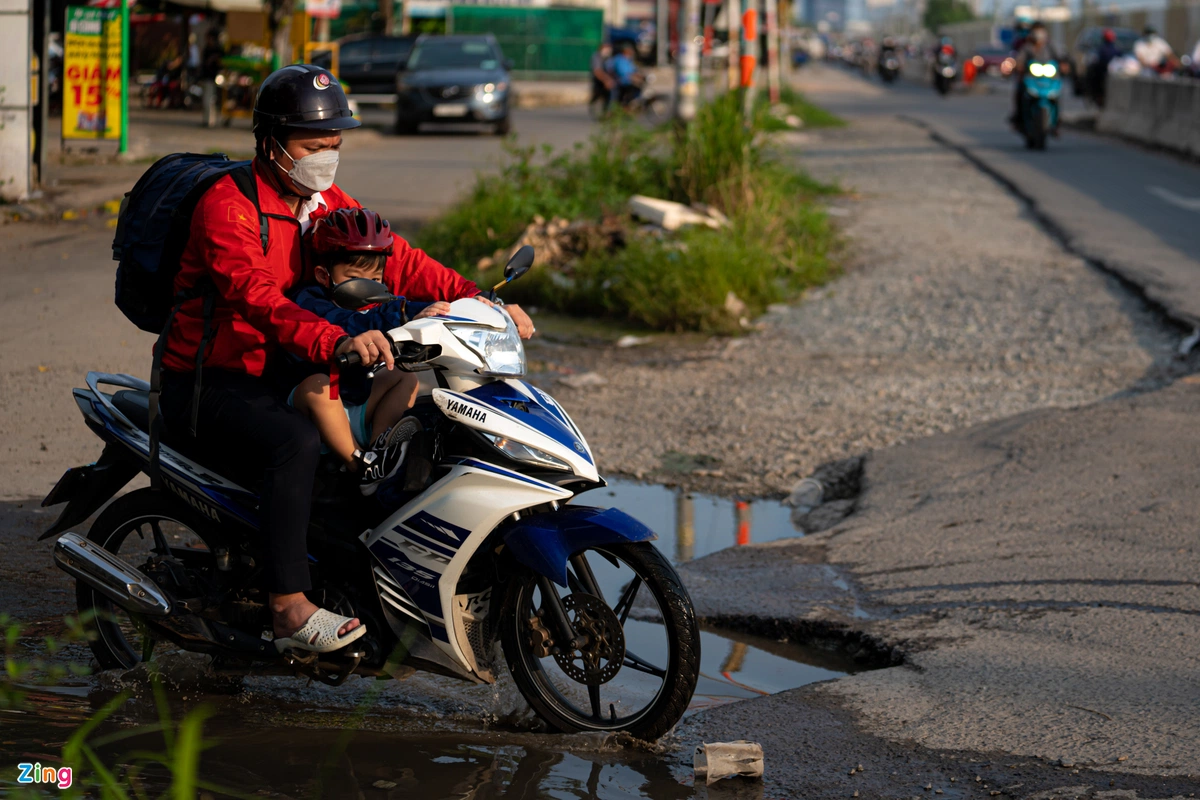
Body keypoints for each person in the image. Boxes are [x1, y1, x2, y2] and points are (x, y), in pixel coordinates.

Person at [157, 65, 535, 655]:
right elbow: (256, 297)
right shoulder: (228, 207)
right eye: (314, 147)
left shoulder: (324, 201)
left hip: (287, 366)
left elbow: (396, 260)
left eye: (334, 144)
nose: (327, 159)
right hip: (215, 378)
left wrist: (481, 300)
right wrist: (333, 340)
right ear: (271, 143)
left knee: (421, 419)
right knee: (295, 442)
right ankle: (289, 607)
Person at [288, 207, 451, 495]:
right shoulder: (308, 301)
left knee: (403, 376)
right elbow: (351, 322)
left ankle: (381, 447)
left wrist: (439, 310)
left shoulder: (377, 302)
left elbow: (399, 305)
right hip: (317, 411)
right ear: (324, 275)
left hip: (358, 401)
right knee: (317, 386)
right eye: (355, 279)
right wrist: (402, 313)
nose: (367, 290)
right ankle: (362, 466)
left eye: (374, 281)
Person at [1010, 23, 1066, 126]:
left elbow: (1061, 57)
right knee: (1020, 92)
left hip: (1049, 78)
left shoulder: (1051, 46)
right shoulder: (1027, 47)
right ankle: (1018, 118)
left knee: (1057, 96)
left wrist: (1064, 64)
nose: (1039, 35)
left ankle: (1057, 120)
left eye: (1041, 32)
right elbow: (1020, 59)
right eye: (1036, 32)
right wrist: (1019, 65)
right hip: (1031, 78)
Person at [1088, 28, 1122, 107]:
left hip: (1104, 73)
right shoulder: (1114, 49)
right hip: (1105, 73)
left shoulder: (1103, 49)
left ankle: (1096, 96)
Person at [609, 42, 642, 107]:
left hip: (629, 81)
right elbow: (623, 72)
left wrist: (640, 75)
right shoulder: (619, 59)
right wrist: (633, 77)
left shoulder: (629, 59)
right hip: (622, 82)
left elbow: (634, 69)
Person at [590, 42, 615, 112]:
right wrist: (606, 80)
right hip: (599, 80)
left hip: (608, 79)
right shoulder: (596, 57)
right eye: (606, 48)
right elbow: (597, 71)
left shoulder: (609, 57)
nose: (608, 50)